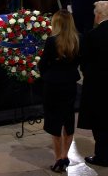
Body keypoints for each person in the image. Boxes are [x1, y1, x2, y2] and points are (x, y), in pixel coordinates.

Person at [77, 0, 108, 168]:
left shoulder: (92, 35)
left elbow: (84, 62)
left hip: (97, 86)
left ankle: (102, 157)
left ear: (98, 16)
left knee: (99, 122)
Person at [37, 9, 80, 173]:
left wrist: (47, 73)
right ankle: (65, 155)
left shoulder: (51, 41)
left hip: (53, 86)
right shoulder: (78, 40)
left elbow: (43, 64)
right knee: (68, 120)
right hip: (70, 85)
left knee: (54, 121)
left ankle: (58, 159)